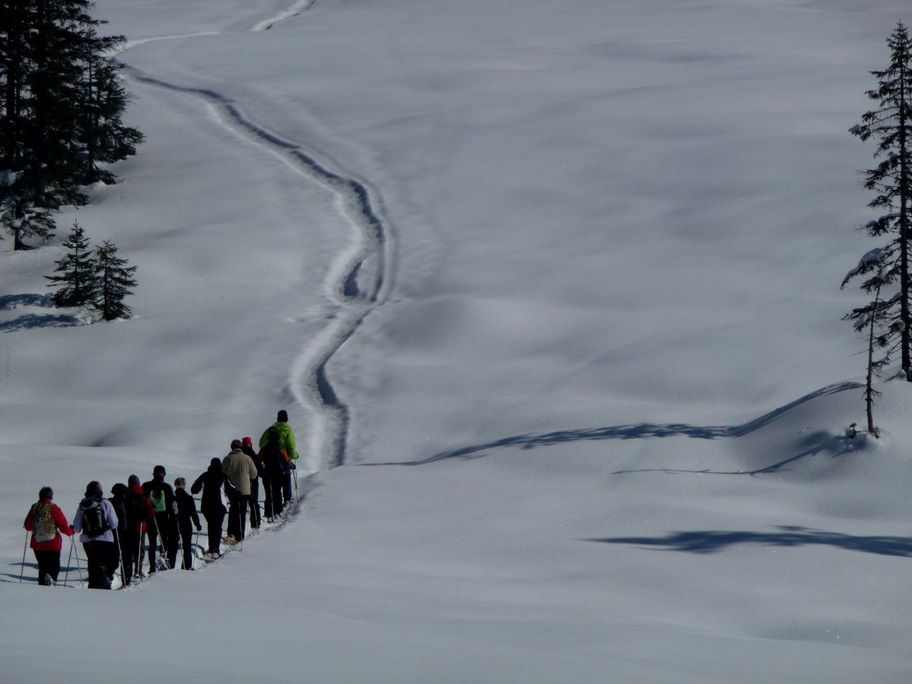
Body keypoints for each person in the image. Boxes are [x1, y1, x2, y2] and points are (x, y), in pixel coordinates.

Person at [72, 481, 119, 590]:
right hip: (105, 540)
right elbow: (114, 523)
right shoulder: (106, 503)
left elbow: (77, 527)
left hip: (88, 541)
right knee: (102, 564)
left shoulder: (82, 505)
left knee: (92, 563)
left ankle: (93, 586)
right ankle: (103, 586)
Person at [22, 487, 73, 586]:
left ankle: (42, 587)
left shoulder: (34, 508)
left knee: (42, 567)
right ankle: (51, 582)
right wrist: (71, 532)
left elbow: (27, 526)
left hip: (37, 544)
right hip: (53, 544)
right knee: (54, 567)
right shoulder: (54, 508)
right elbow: (63, 527)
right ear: (50, 496)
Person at [222, 439, 259, 543]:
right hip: (244, 490)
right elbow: (254, 474)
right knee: (241, 513)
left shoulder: (227, 458)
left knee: (233, 509)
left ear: (231, 447)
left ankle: (231, 533)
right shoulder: (247, 458)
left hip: (231, 490)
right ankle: (240, 535)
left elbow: (222, 472)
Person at [259, 410, 299, 504]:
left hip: (270, 461)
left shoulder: (271, 429)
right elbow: (292, 448)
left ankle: (277, 503)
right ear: (286, 419)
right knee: (286, 479)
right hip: (284, 460)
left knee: (274, 481)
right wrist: (295, 456)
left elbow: (261, 444)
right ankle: (287, 499)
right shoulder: (289, 431)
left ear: (277, 418)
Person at [142, 465, 177, 572]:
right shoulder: (167, 487)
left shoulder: (146, 486)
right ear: (164, 475)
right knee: (163, 542)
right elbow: (172, 504)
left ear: (153, 474)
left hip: (150, 518)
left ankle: (152, 566)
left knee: (152, 544)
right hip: (163, 519)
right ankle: (163, 560)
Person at [191, 458, 227, 558]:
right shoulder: (223, 475)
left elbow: (194, 489)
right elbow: (230, 488)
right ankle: (215, 549)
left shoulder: (205, 475)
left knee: (211, 525)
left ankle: (211, 548)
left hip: (207, 505)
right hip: (220, 505)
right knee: (218, 526)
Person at [125, 474, 153, 580]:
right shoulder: (143, 495)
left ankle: (127, 573)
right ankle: (138, 571)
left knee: (127, 550)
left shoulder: (126, 494)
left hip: (127, 526)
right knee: (139, 550)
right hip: (140, 526)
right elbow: (150, 511)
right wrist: (144, 518)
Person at [259, 429, 289, 521]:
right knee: (277, 492)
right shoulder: (281, 448)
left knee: (268, 493)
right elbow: (287, 460)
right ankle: (278, 511)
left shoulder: (264, 448)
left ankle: (268, 513)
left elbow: (259, 459)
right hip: (278, 473)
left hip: (267, 473)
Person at [173, 478, 201, 570]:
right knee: (187, 546)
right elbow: (193, 513)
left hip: (174, 523)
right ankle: (187, 566)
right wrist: (197, 524)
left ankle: (171, 565)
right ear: (184, 485)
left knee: (172, 545)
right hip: (186, 523)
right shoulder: (188, 498)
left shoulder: (172, 497)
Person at [107, 483, 130, 586]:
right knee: (122, 558)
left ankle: (110, 575)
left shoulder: (108, 502)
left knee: (114, 557)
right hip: (122, 533)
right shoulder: (125, 502)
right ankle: (125, 579)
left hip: (111, 534)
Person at [241, 436, 263, 530]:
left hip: (242, 482)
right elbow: (259, 469)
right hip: (253, 481)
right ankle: (256, 523)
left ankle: (241, 526)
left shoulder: (241, 455)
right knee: (254, 502)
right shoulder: (254, 455)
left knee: (242, 504)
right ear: (250, 444)